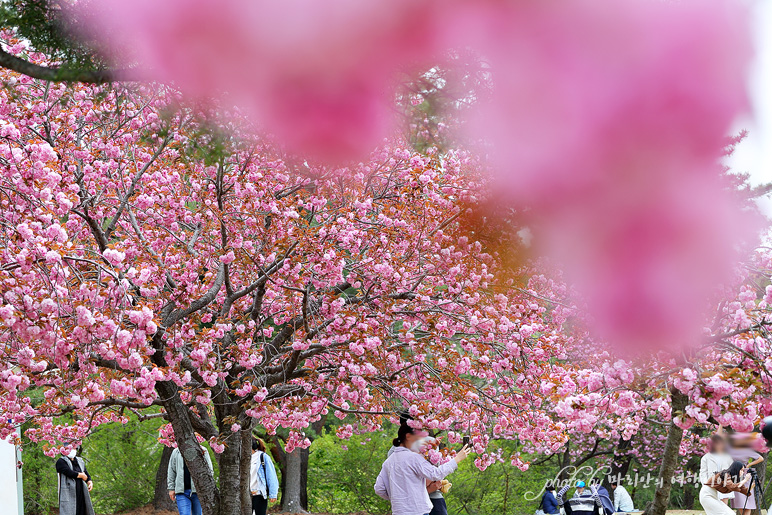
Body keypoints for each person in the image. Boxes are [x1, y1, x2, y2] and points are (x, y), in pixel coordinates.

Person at [374, 419, 471, 515]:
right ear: (408, 437)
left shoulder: (389, 461)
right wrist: (457, 459)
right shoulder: (413, 458)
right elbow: (435, 474)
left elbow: (379, 488)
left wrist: (397, 497)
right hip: (418, 510)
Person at [699, 435, 745, 515]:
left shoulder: (727, 457)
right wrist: (705, 484)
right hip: (712, 486)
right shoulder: (705, 458)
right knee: (717, 510)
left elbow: (733, 470)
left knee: (724, 508)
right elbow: (703, 473)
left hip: (724, 485)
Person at [167, 443, 215, 515]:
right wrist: (171, 488)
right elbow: (171, 471)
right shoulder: (176, 452)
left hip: (199, 492)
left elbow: (209, 470)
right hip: (182, 492)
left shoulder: (202, 450)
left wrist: (206, 487)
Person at [727, 432, 765, 515]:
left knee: (747, 502)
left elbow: (760, 458)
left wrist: (749, 464)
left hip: (744, 475)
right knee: (741, 502)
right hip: (736, 476)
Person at [56, 447, 95, 515]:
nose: (73, 451)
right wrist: (81, 475)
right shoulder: (61, 461)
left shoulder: (80, 461)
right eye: (70, 449)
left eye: (74, 449)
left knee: (82, 511)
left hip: (81, 492)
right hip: (69, 493)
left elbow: (85, 472)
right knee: (69, 511)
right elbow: (68, 472)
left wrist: (89, 481)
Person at [250, 438, 279, 515]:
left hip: (259, 493)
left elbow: (271, 475)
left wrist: (273, 494)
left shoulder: (262, 457)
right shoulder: (242, 459)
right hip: (245, 494)